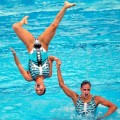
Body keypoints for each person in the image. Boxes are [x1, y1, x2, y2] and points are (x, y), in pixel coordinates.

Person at [11, 1, 75, 95]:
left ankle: (22, 22)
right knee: (54, 26)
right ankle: (65, 6)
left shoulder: (29, 77)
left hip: (31, 46)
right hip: (43, 45)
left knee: (15, 26)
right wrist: (56, 59)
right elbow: (50, 59)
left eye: (37, 91)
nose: (38, 89)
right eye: (40, 90)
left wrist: (14, 55)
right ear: (44, 87)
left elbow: (19, 65)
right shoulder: (48, 74)